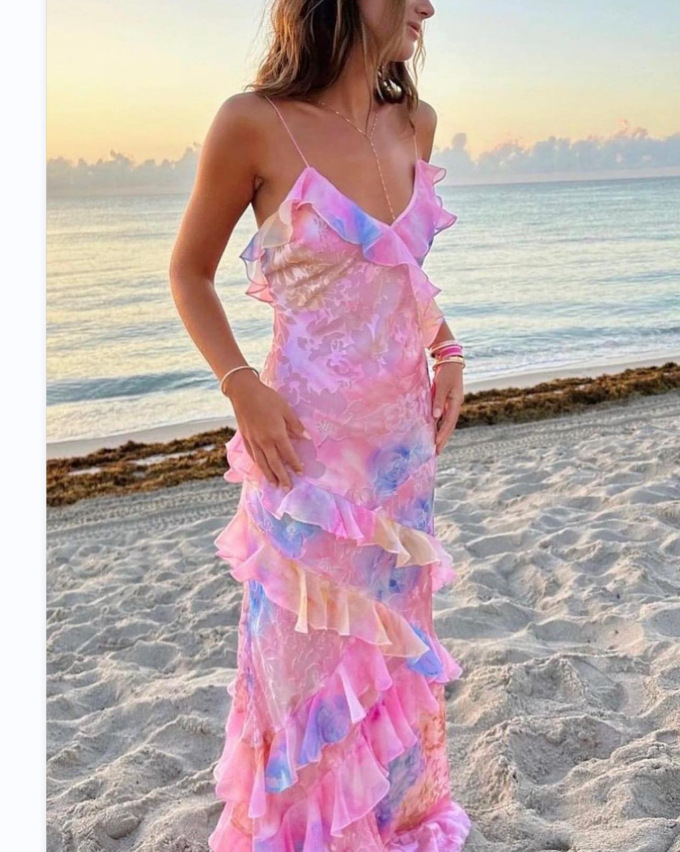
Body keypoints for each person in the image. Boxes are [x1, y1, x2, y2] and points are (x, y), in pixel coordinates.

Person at [168, 1, 472, 848]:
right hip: (305, 464)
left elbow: (395, 275)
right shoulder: (253, 124)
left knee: (389, 668)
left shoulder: (416, 123)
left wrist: (448, 347)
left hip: (400, 462)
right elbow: (189, 273)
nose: (428, 5)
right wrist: (239, 385)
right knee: (301, 674)